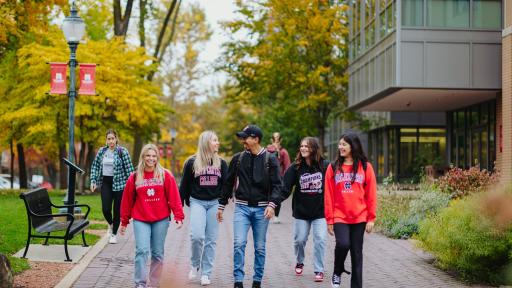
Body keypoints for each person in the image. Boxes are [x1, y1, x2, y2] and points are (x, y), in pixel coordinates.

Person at [217, 125, 283, 288]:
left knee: (260, 247)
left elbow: (277, 185)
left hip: (262, 210)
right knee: (239, 243)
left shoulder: (270, 159)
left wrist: (272, 204)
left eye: (246, 138)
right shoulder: (238, 158)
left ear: (256, 139)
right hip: (241, 208)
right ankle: (238, 281)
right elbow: (228, 182)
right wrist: (221, 205)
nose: (243, 141)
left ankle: (257, 281)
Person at [119, 143, 185, 288]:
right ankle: (140, 284)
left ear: (157, 158)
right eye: (148, 155)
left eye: (154, 156)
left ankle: (154, 284)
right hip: (141, 219)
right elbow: (127, 200)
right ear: (143, 156)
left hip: (160, 219)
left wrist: (179, 216)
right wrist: (124, 221)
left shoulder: (165, 175)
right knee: (142, 251)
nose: (151, 158)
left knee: (157, 253)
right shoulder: (135, 176)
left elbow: (174, 197)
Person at [324, 133, 377, 288]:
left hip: (359, 217)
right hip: (340, 215)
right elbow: (328, 195)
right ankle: (337, 270)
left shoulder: (365, 167)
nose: (340, 147)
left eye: (344, 144)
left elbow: (371, 194)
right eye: (339, 144)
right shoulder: (333, 167)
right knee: (343, 244)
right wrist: (329, 219)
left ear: (353, 146)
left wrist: (371, 218)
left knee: (356, 253)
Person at [180, 131, 228, 286]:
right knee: (197, 236)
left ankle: (206, 273)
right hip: (197, 202)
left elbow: (226, 186)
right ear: (206, 142)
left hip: (214, 203)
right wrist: (178, 209)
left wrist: (222, 203)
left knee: (211, 240)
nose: (218, 143)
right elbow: (184, 186)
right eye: (215, 140)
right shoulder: (191, 162)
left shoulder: (222, 163)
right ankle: (195, 263)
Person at [281, 137, 329, 282]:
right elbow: (285, 189)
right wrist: (273, 203)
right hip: (301, 212)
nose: (303, 149)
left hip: (320, 211)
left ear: (314, 148)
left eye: (306, 146)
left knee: (320, 239)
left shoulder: (325, 166)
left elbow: (333, 188)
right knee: (299, 240)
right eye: (301, 146)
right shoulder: (295, 167)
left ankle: (319, 270)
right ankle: (300, 261)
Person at [90, 129, 134, 244]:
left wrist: (132, 187)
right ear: (106, 140)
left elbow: (130, 171)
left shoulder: (122, 151)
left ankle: (113, 234)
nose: (110, 141)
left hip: (120, 184)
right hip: (106, 183)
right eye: (108, 139)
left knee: (117, 211)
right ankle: (111, 224)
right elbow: (95, 166)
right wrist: (93, 180)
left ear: (116, 139)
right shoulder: (102, 151)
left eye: (112, 138)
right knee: (105, 208)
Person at [267, 132, 290, 224]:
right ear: (271, 139)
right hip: (268, 177)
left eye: (278, 138)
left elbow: (287, 165)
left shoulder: (284, 152)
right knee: (267, 194)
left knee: (277, 196)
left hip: (279, 177)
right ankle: (267, 213)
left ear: (281, 140)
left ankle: (276, 216)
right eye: (274, 138)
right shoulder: (267, 150)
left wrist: (285, 177)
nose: (276, 140)